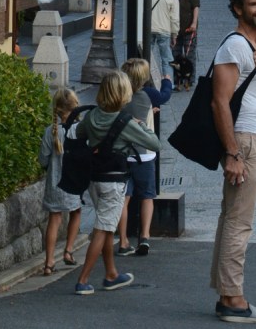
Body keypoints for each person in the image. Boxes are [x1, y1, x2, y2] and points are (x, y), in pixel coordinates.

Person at [210, 0, 256, 323]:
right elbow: (219, 102)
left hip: (254, 137)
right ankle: (233, 298)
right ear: (238, 9)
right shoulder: (235, 46)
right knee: (240, 221)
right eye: (253, 4)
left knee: (232, 218)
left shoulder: (255, 48)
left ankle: (226, 291)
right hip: (245, 142)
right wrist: (233, 153)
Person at [74, 71, 161, 296]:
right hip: (114, 181)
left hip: (94, 178)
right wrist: (139, 125)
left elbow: (79, 133)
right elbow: (154, 143)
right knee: (102, 229)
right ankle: (83, 280)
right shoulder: (125, 121)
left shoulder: (92, 116)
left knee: (106, 225)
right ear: (123, 94)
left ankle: (111, 273)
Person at [116, 58, 173, 257]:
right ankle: (145, 237)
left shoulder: (120, 94)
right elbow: (165, 95)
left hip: (123, 154)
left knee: (124, 199)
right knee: (147, 196)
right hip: (144, 155)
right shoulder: (149, 94)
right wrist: (167, 80)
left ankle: (123, 241)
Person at [38, 87, 83, 274]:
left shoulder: (51, 131)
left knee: (54, 219)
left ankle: (49, 262)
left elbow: (43, 159)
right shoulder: (78, 130)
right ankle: (68, 251)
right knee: (76, 211)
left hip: (55, 182)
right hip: (73, 182)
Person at [170, 0, 200, 88]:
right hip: (175, 29)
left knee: (189, 55)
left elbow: (196, 7)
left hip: (188, 28)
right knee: (175, 56)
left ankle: (190, 79)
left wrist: (194, 23)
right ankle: (177, 79)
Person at [150, 0, 179, 81]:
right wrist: (174, 35)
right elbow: (174, 19)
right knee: (166, 58)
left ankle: (147, 80)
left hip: (149, 28)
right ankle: (168, 82)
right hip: (164, 30)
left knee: (147, 55)